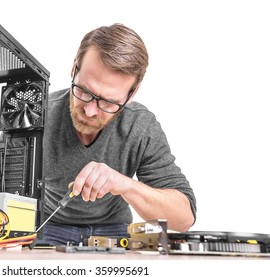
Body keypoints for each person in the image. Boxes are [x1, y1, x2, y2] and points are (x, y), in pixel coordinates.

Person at [40, 23, 196, 245]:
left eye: (109, 102)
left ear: (132, 94)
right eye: (84, 91)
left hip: (115, 232)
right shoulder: (38, 115)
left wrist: (125, 185)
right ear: (74, 68)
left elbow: (183, 220)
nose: (90, 111)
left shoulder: (140, 125)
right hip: (49, 227)